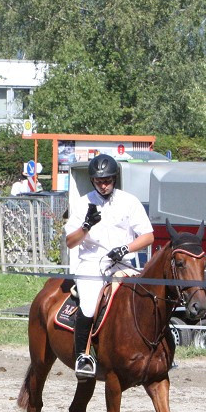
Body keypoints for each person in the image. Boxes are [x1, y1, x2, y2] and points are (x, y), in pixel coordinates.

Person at [63, 153, 153, 379]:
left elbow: (148, 236)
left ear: (115, 179)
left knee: (149, 299)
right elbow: (70, 241)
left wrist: (126, 248)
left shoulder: (129, 202)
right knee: (90, 307)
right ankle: (82, 357)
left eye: (108, 181)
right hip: (92, 265)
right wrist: (85, 226)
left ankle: (158, 352)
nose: (104, 185)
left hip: (122, 264)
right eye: (99, 182)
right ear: (93, 181)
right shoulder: (83, 203)